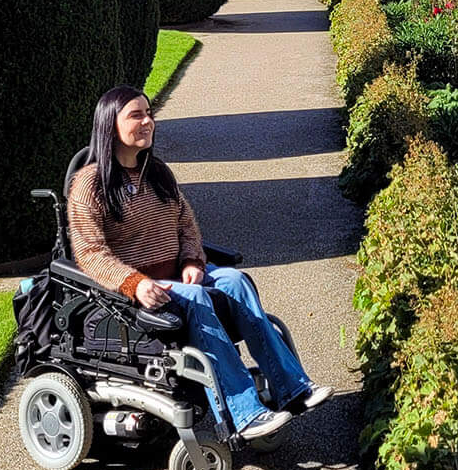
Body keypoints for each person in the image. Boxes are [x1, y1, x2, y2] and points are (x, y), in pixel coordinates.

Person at [67, 85, 332, 441]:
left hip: (178, 275)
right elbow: (90, 253)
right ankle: (245, 414)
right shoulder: (90, 184)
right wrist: (135, 283)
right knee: (198, 299)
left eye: (149, 113)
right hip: (137, 291)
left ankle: (294, 389)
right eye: (136, 115)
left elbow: (186, 222)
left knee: (236, 281)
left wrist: (193, 259)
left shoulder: (157, 173)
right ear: (109, 125)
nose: (148, 121)